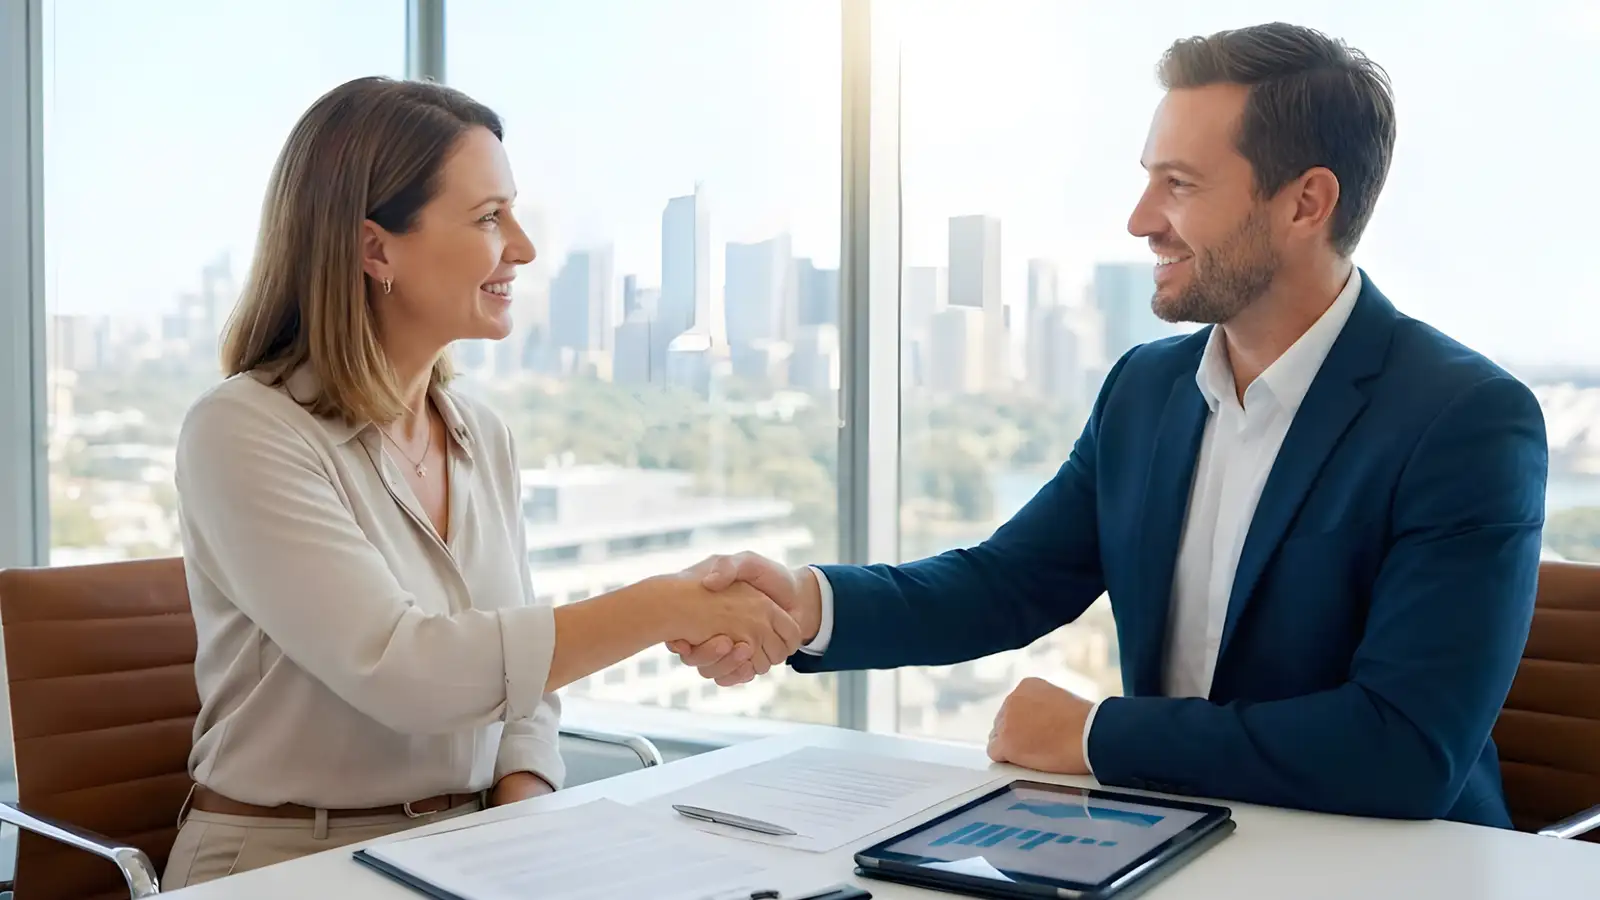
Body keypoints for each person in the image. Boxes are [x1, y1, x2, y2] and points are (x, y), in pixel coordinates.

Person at [672, 22, 1547, 828]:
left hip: (1393, 868)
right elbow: (1009, 581)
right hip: (1175, 842)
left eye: (1180, 185)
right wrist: (814, 605)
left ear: (1306, 202)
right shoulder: (1146, 389)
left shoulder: (1465, 421)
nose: (1139, 221)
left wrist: (1096, 736)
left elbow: (1402, 750)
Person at [165, 77, 800, 887]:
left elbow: (522, 683)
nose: (525, 248)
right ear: (376, 249)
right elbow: (406, 674)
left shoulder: (480, 435)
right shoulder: (244, 431)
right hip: (286, 863)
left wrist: (518, 809)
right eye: (490, 218)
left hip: (472, 850)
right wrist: (669, 603)